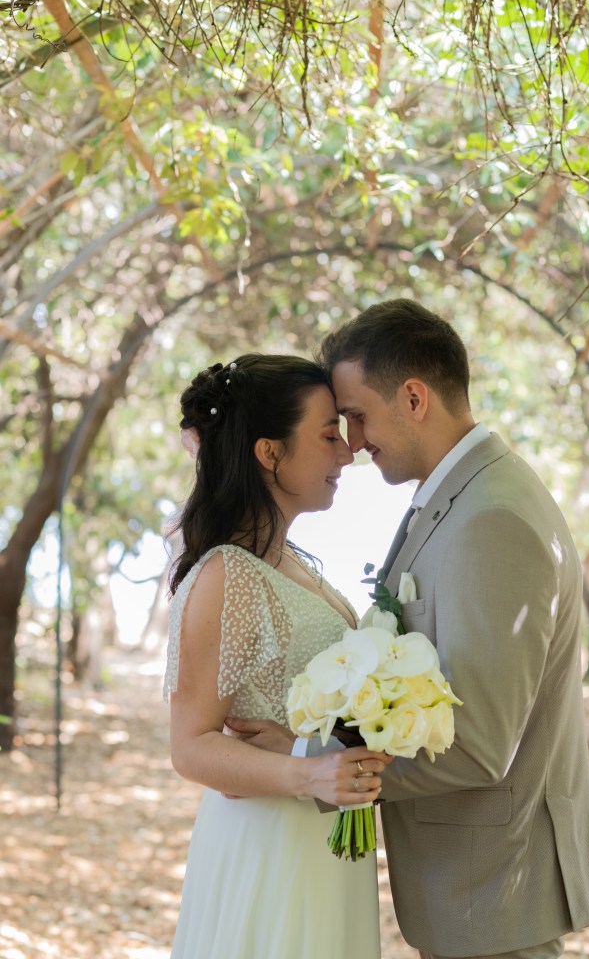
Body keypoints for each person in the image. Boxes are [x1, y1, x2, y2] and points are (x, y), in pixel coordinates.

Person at [230, 302, 589, 959]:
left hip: (493, 895)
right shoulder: (459, 496)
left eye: (355, 414)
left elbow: (479, 741)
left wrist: (312, 760)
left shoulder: (492, 520)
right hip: (471, 894)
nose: (350, 440)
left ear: (412, 397)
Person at [163, 355, 391, 959]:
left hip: (326, 843)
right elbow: (191, 745)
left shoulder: (294, 565)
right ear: (269, 453)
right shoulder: (225, 574)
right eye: (327, 435)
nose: (346, 453)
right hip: (270, 845)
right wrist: (308, 772)